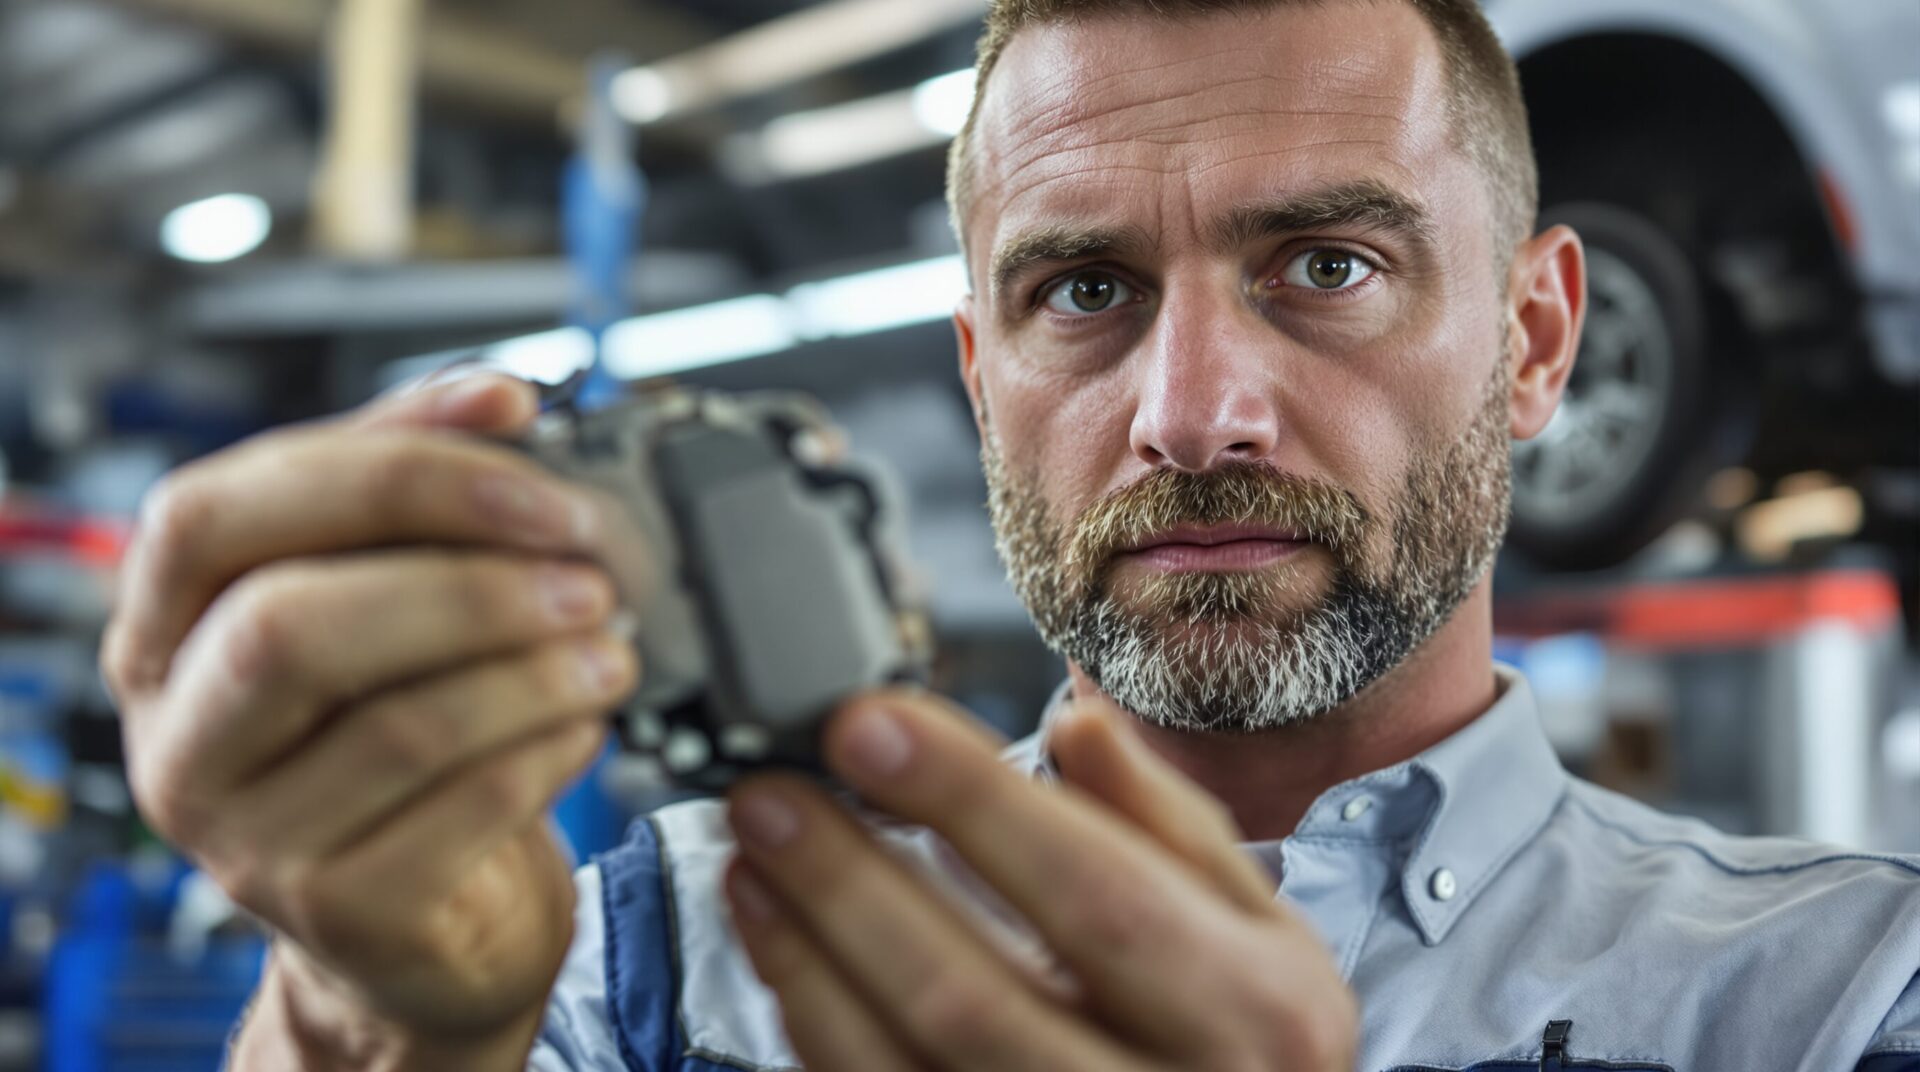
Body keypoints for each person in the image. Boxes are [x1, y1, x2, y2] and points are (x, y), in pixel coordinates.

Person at [102, 0, 1920, 1069]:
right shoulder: (649, 958)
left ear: (1537, 342)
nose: (1189, 412)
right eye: (1084, 290)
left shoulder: (1838, 999)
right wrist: (365, 1018)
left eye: (1330, 266)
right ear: (981, 375)